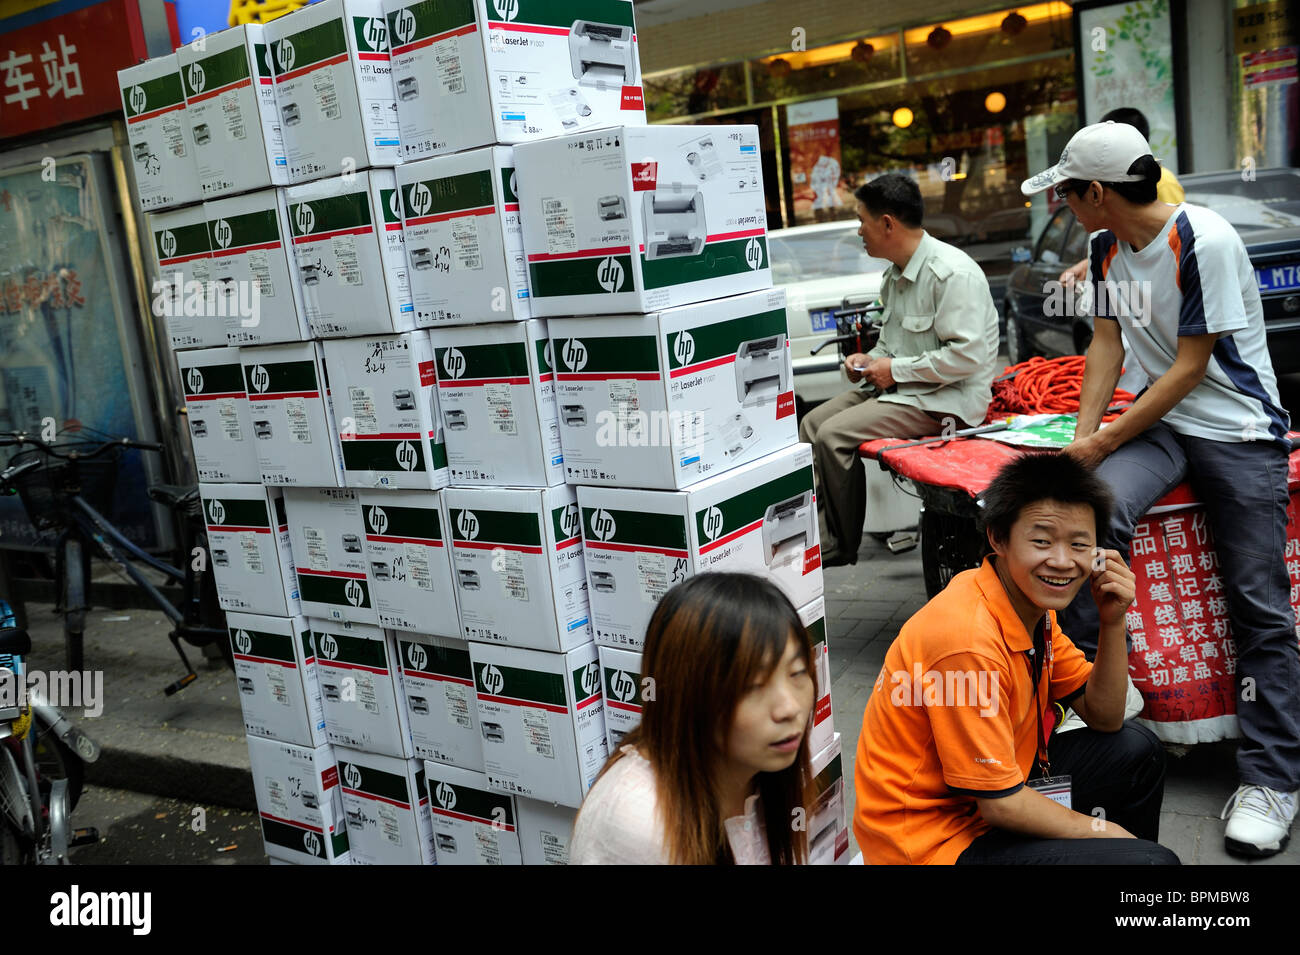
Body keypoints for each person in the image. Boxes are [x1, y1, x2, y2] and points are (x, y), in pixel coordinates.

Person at [1024, 120, 1300, 858]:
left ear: (1098, 192)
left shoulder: (1202, 238)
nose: (1063, 205)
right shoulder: (1103, 244)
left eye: (1067, 193)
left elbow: (1188, 366)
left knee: (1259, 602)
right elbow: (1108, 347)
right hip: (1164, 423)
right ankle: (1092, 694)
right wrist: (1083, 444)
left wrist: (1107, 438)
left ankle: (1274, 775)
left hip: (1236, 425)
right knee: (1090, 516)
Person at [853, 453, 1180, 864]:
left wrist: (1112, 621)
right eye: (1041, 541)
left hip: (989, 794)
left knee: (1137, 751)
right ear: (998, 538)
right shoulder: (967, 639)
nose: (1062, 562)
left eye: (1079, 544)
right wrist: (1108, 833)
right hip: (932, 841)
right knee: (1149, 861)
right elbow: (1001, 805)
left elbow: (1106, 716)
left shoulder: (1027, 607)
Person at [799, 173, 999, 567]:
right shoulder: (894, 274)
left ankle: (840, 544)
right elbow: (891, 347)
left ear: (887, 223)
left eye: (862, 221)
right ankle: (817, 533)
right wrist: (867, 362)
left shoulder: (951, 273)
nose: (859, 231)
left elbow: (968, 359)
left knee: (833, 435)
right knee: (810, 426)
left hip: (946, 400)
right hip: (904, 390)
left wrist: (895, 369)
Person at [571, 573, 817, 864]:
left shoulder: (762, 773)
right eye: (754, 685)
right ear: (688, 694)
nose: (789, 708)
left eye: (798, 672)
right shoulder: (641, 821)